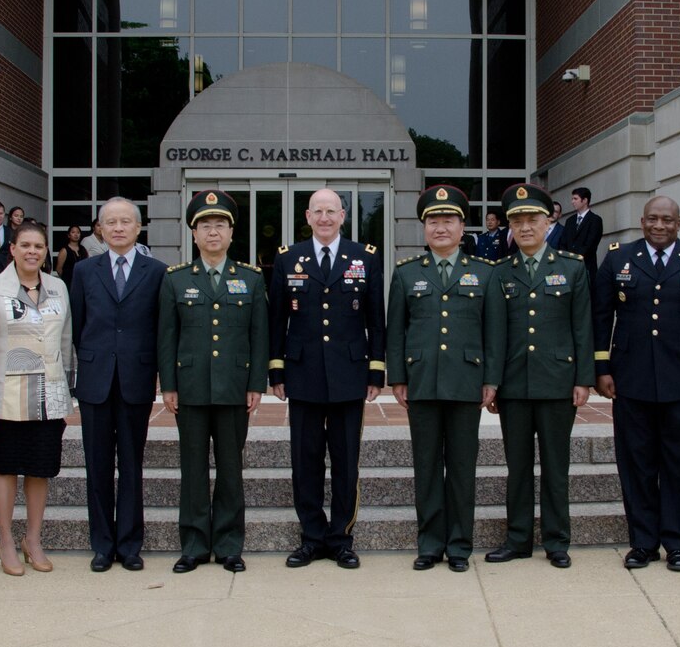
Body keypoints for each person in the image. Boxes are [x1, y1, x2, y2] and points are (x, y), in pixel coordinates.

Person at [594, 194, 680, 572]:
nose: (659, 226)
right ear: (642, 221)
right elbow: (601, 316)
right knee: (636, 464)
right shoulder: (619, 258)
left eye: (667, 220)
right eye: (653, 219)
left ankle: (678, 544)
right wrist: (600, 368)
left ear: (679, 223)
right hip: (630, 379)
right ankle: (643, 543)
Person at [387, 185, 504, 573]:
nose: (441, 227)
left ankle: (459, 546)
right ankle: (430, 543)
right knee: (425, 466)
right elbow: (396, 331)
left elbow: (494, 332)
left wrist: (492, 379)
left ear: (461, 227)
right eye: (433, 221)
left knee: (461, 467)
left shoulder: (484, 273)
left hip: (467, 380)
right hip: (420, 381)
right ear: (424, 228)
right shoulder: (406, 274)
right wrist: (397, 377)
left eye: (448, 220)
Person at [267, 188, 386, 569]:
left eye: (330, 211)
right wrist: (276, 369)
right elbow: (276, 320)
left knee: (346, 460)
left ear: (343, 215)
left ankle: (340, 538)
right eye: (317, 211)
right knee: (306, 459)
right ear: (307, 216)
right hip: (302, 373)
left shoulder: (363, 256)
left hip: (349, 373)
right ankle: (312, 537)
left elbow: (375, 319)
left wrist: (376, 370)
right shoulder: (288, 258)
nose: (324, 217)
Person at [159, 190, 268, 573]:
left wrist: (256, 383)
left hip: (234, 388)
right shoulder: (175, 280)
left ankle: (228, 545)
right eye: (205, 226)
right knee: (192, 469)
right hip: (188, 389)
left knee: (230, 470)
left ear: (231, 233)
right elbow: (166, 336)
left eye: (219, 225)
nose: (212, 232)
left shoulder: (251, 279)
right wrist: (168, 384)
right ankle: (192, 545)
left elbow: (259, 336)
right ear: (193, 234)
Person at [486, 183, 593, 568]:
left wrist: (584, 379)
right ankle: (517, 539)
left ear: (549, 221)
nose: (525, 227)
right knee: (517, 467)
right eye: (517, 220)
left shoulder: (572, 267)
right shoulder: (500, 272)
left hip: (556, 381)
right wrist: (493, 382)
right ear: (510, 227)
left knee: (555, 465)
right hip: (514, 385)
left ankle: (556, 541)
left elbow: (582, 328)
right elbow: (495, 333)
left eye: (532, 219)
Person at [0, 221, 75, 576]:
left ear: (46, 252)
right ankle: (5, 541)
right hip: (6, 399)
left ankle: (33, 539)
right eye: (26, 245)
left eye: (39, 247)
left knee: (39, 469)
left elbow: (65, 342)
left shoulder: (58, 287)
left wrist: (65, 392)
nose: (33, 252)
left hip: (48, 396)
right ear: (12, 248)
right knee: (5, 468)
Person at [70, 197, 163, 573]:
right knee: (97, 466)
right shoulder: (84, 270)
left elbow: (160, 327)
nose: (119, 228)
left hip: (136, 380)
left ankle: (130, 544)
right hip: (95, 381)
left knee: (131, 465)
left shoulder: (156, 271)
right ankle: (102, 545)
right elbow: (77, 324)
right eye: (111, 222)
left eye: (126, 222)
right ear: (101, 229)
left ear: (138, 228)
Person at [559, 186, 605, 268]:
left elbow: (590, 244)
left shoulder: (595, 220)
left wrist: (574, 258)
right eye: (572, 199)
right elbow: (563, 243)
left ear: (585, 200)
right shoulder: (570, 221)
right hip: (568, 266)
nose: (572, 202)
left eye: (575, 199)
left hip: (586, 266)